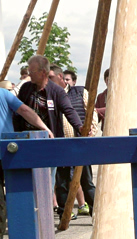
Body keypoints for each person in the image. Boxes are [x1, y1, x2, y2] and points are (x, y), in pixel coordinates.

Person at [14, 55, 84, 196]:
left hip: (48, 142)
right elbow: (17, 112)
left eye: (32, 72)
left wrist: (80, 127)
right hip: (27, 142)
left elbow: (69, 111)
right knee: (27, 182)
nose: (29, 75)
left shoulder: (56, 91)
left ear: (43, 73)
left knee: (47, 183)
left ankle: (45, 207)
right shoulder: (26, 88)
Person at [56, 69, 97, 217]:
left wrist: (91, 132)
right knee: (62, 182)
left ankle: (95, 211)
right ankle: (64, 213)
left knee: (86, 181)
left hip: (80, 143)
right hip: (61, 144)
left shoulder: (80, 92)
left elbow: (91, 112)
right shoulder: (51, 94)